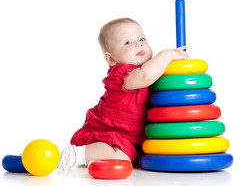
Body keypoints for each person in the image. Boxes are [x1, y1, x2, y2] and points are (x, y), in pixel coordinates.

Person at [57, 18, 189, 170]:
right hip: (108, 132)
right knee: (121, 158)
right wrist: (166, 55)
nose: (138, 44)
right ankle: (77, 154)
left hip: (130, 138)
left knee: (126, 158)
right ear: (111, 58)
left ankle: (94, 156)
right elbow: (145, 76)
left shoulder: (153, 70)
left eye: (142, 39)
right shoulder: (121, 74)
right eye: (127, 42)